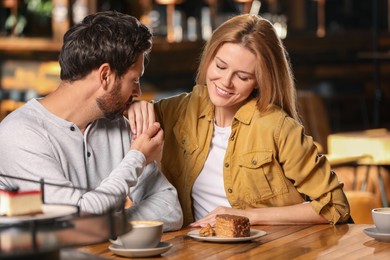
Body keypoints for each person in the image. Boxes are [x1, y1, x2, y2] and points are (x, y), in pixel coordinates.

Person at [128, 14, 351, 227]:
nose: (226, 82)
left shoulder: (277, 127)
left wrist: (248, 216)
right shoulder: (179, 111)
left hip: (273, 251)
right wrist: (134, 103)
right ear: (209, 59)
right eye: (220, 66)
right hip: (195, 250)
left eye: (242, 76)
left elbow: (335, 205)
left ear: (259, 81)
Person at [0, 11, 183, 231]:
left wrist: (106, 225)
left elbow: (169, 207)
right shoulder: (20, 135)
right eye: (134, 80)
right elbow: (77, 220)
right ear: (105, 76)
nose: (138, 92)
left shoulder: (117, 125)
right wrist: (137, 157)